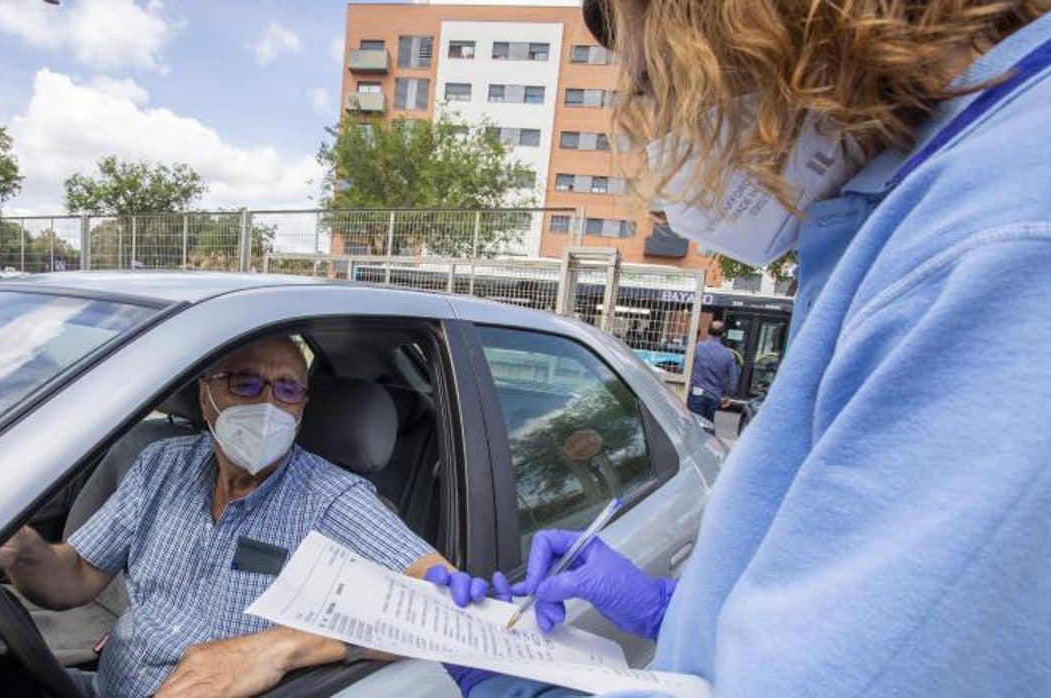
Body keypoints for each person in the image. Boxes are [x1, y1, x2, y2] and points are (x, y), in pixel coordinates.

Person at [428, 0, 1051, 695]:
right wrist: (673, 612)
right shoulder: (929, 202)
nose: (662, 131)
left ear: (749, 26)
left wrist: (512, 686)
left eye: (656, 85)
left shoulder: (1000, 242)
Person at [0, 335, 448, 698]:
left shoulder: (331, 496)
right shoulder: (160, 465)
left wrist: (278, 649)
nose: (267, 405)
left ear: (302, 408)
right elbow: (77, 577)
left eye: (287, 388)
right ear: (205, 394)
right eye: (245, 383)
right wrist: (25, 551)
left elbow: (443, 607)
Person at [686, 321, 737, 422]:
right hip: (714, 397)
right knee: (708, 426)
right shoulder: (729, 355)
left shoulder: (697, 348)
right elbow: (733, 382)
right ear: (723, 334)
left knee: (693, 424)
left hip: (696, 393)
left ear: (707, 331)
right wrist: (727, 395)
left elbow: (685, 366)